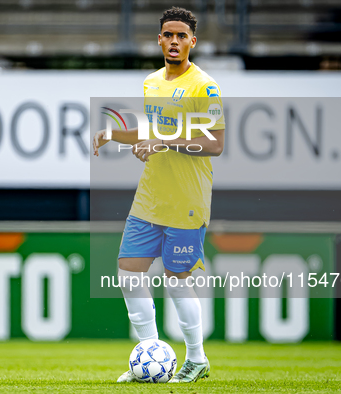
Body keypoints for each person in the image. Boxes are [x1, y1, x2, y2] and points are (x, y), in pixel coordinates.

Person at [92, 6, 225, 384]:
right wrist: (114, 134)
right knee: (129, 274)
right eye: (168, 34)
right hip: (150, 197)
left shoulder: (205, 86)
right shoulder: (152, 82)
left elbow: (215, 144)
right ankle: (150, 355)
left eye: (182, 36)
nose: (174, 41)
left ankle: (196, 359)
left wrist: (163, 143)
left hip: (187, 201)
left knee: (176, 279)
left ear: (192, 42)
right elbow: (152, 131)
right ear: (159, 39)